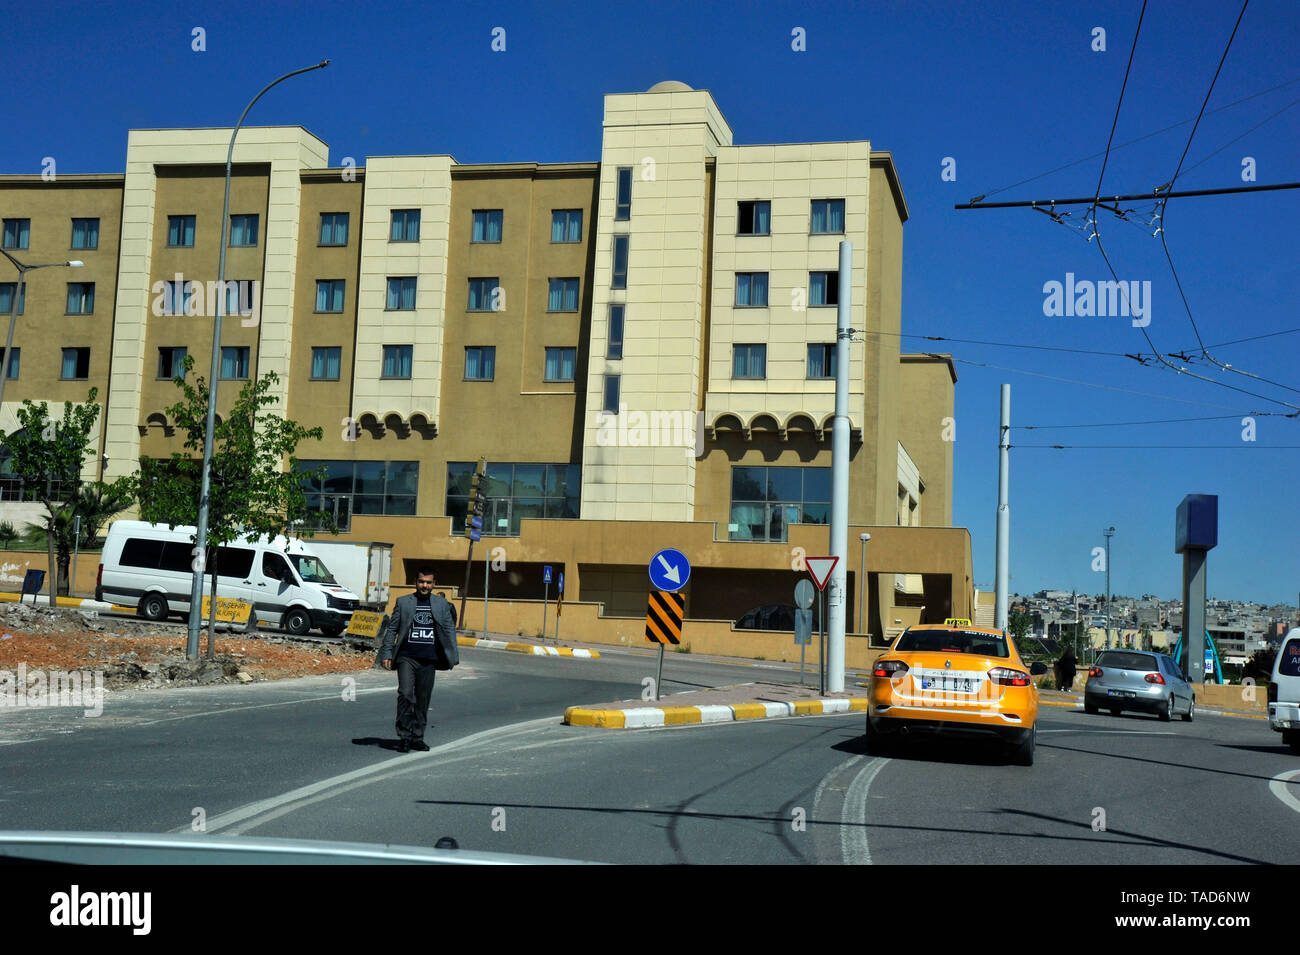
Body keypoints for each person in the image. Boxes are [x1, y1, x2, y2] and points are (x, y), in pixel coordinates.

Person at [379, 569, 459, 752]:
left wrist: (453, 655)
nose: (425, 586)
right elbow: (392, 630)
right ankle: (404, 737)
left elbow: (449, 629)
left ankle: (418, 737)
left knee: (423, 700)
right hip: (406, 657)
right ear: (416, 582)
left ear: (434, 584)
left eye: (429, 583)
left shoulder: (441, 604)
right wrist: (387, 653)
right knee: (406, 695)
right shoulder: (403, 602)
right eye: (422, 582)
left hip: (429, 659)